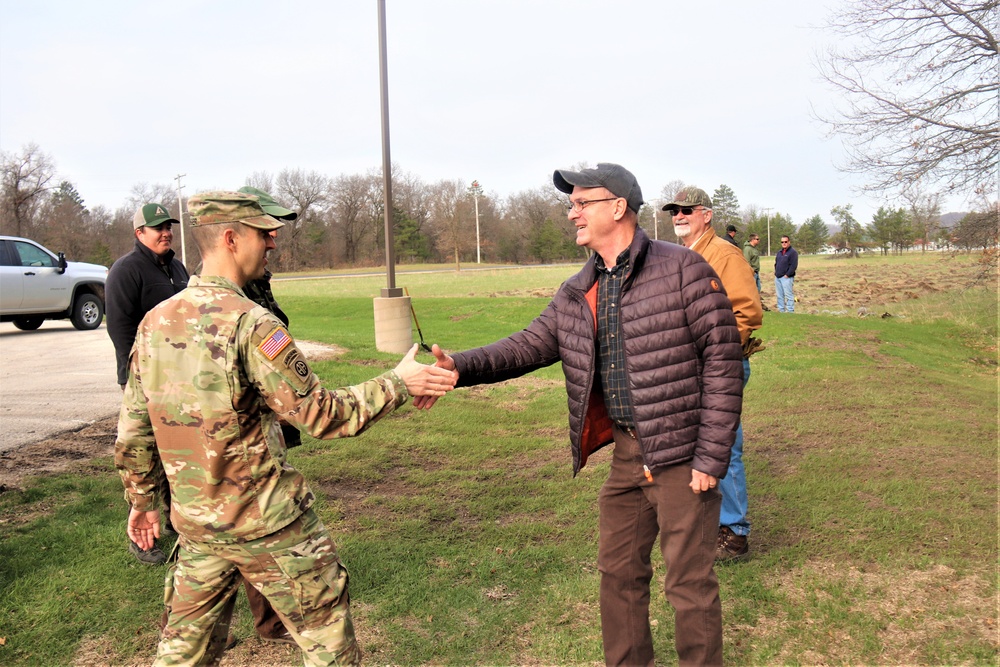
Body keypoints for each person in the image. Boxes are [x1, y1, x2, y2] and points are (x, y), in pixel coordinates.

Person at [416, 164, 743, 666]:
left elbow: (722, 360)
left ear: (618, 207)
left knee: (689, 584)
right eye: (570, 204)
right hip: (629, 455)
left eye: (581, 202)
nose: (572, 213)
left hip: (681, 453)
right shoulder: (579, 288)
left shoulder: (684, 269)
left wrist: (710, 456)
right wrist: (460, 367)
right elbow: (528, 345)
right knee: (617, 575)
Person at [115, 191, 458, 666]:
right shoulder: (252, 324)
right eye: (263, 232)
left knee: (180, 656)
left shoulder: (155, 322)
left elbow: (134, 431)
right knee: (329, 648)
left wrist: (142, 502)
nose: (273, 242)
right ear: (231, 238)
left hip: (198, 527)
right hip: (268, 525)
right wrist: (399, 383)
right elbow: (320, 414)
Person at [664, 187, 763, 562]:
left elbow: (747, 313)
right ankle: (708, 521)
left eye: (687, 210)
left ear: (706, 214)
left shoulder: (724, 253)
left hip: (720, 365)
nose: (679, 216)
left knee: (724, 445)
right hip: (690, 367)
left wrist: (712, 349)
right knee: (697, 444)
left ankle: (734, 533)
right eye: (675, 210)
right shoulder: (682, 255)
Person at [106, 202, 190, 565]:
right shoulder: (126, 271)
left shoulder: (177, 267)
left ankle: (177, 522)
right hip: (147, 382)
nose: (165, 232)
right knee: (145, 458)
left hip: (183, 379)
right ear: (139, 233)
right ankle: (142, 539)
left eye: (168, 226)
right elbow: (120, 329)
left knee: (179, 453)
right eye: (157, 228)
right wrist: (135, 380)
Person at [774, 235, 798, 312]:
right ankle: (781, 311)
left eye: (785, 242)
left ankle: (790, 311)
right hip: (778, 277)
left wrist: (787, 275)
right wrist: (776, 272)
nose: (784, 243)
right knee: (779, 295)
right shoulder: (779, 252)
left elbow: (793, 265)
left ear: (789, 242)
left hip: (786, 278)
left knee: (788, 295)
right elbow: (776, 263)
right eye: (782, 242)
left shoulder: (793, 252)